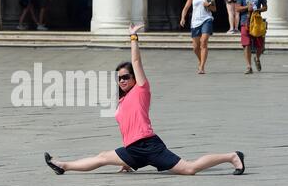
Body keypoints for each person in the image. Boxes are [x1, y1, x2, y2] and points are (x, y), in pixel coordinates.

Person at [44, 24, 245, 177]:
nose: (122, 80)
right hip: (133, 150)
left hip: (149, 145)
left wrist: (133, 37)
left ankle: (232, 156)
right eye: (119, 78)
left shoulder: (141, 89)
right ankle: (63, 166)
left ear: (133, 78)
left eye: (125, 77)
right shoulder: (122, 101)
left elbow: (137, 61)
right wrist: (127, 162)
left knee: (189, 168)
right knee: (103, 157)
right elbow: (127, 128)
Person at [180, 0, 217, 75]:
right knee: (195, 47)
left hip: (207, 19)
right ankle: (201, 61)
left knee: (203, 42)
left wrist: (208, 5)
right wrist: (183, 18)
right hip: (195, 21)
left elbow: (214, 9)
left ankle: (202, 67)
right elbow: (186, 8)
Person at [236, 0, 268, 74]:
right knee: (247, 44)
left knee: (260, 45)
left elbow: (265, 7)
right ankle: (249, 66)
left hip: (257, 21)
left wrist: (257, 9)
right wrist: (246, 7)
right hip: (245, 21)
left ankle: (257, 58)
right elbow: (237, 8)